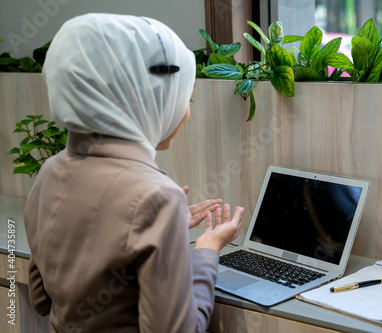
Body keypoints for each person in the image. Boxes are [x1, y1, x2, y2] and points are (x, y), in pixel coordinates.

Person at [24, 13, 244, 333]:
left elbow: (41, 298)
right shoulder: (157, 196)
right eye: (186, 96)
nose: (185, 111)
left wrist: (159, 235)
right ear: (142, 98)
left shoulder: (49, 171)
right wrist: (206, 250)